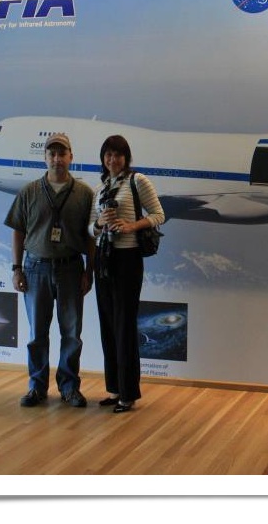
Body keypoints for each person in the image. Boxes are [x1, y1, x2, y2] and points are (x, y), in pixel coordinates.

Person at [4, 132, 95, 408]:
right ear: (45, 158)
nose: (57, 159)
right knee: (37, 334)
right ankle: (37, 387)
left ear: (71, 157)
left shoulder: (84, 194)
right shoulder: (29, 191)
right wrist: (17, 269)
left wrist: (88, 272)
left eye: (62, 153)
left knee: (71, 334)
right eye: (52, 154)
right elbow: (18, 231)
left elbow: (92, 237)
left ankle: (69, 387)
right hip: (36, 269)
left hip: (70, 269)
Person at [89, 134, 165, 413]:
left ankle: (129, 393)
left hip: (127, 258)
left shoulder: (138, 181)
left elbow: (159, 214)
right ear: (103, 158)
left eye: (118, 154)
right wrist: (99, 223)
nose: (112, 159)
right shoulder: (101, 187)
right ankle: (115, 388)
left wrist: (132, 226)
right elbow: (90, 228)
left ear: (126, 157)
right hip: (103, 258)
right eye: (108, 154)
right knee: (108, 324)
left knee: (124, 325)